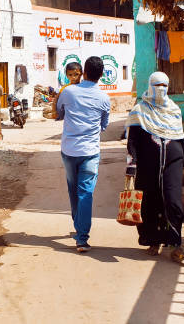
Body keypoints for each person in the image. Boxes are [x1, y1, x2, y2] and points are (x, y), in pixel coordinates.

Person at [125, 72, 184, 263]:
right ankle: (153, 241)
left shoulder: (173, 109)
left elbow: (180, 136)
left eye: (164, 85)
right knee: (149, 202)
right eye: (157, 85)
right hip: (148, 166)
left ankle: (175, 244)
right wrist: (131, 164)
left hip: (173, 162)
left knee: (173, 202)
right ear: (150, 86)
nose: (161, 89)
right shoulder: (139, 110)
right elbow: (132, 141)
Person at [56, 57, 110, 253]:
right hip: (90, 152)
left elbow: (59, 112)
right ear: (101, 75)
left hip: (69, 150)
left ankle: (78, 228)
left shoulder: (68, 91)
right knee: (85, 193)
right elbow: (104, 125)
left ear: (83, 73)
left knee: (73, 190)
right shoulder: (104, 98)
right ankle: (82, 238)